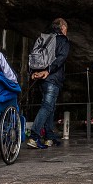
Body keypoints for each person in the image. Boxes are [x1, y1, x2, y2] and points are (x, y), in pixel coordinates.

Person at [27, 18, 69, 149]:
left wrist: (34, 72)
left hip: (40, 78)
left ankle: (49, 137)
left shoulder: (44, 39)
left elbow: (35, 56)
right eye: (66, 28)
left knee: (50, 106)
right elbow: (61, 58)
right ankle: (34, 136)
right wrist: (48, 70)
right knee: (47, 106)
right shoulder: (62, 40)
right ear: (62, 28)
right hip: (52, 78)